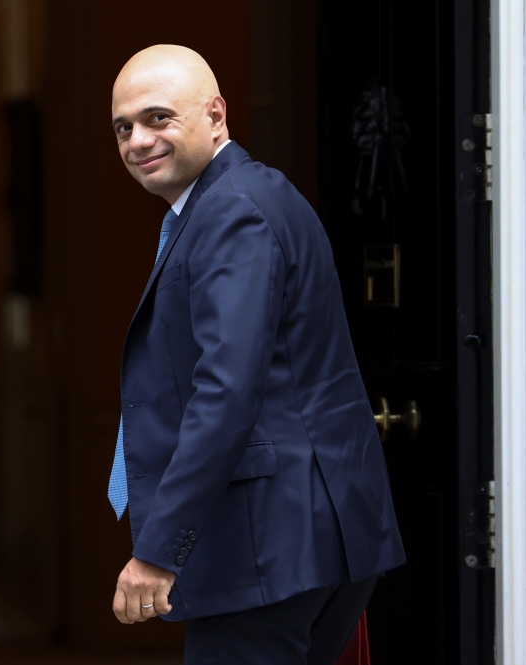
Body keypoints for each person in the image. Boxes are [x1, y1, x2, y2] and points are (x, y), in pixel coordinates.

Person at [107, 45, 405, 664]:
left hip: (273, 543)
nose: (137, 140)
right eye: (123, 127)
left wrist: (160, 549)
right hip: (312, 535)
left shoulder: (232, 213)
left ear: (215, 114)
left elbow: (226, 392)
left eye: (158, 118)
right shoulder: (243, 197)